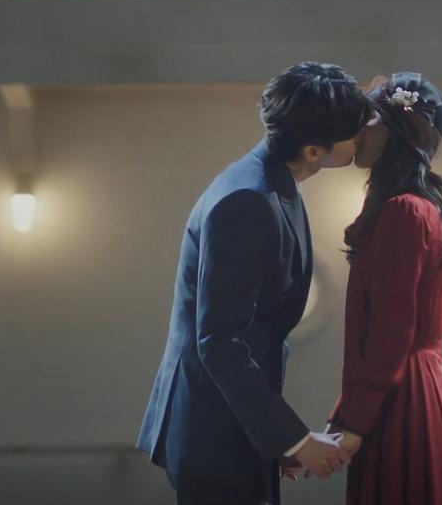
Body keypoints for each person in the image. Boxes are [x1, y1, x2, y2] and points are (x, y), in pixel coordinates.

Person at [137, 62, 372, 505]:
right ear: (314, 151)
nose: (363, 136)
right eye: (354, 131)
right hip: (212, 433)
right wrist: (294, 440)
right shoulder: (247, 199)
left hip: (237, 425)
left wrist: (278, 440)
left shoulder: (271, 180)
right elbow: (219, 341)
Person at [326, 72, 442, 504]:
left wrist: (355, 425)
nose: (358, 130)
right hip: (409, 390)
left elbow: (391, 332)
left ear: (397, 132)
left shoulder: (405, 211)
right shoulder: (418, 209)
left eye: (370, 120)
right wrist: (344, 418)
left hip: (401, 400)